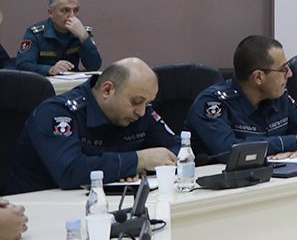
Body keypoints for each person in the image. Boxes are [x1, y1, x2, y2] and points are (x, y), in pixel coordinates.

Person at [4, 58, 179, 193]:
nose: (141, 112)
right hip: (38, 209)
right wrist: (138, 161)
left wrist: (134, 169)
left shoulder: (139, 112)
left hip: (103, 203)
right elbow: (70, 172)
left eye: (147, 103)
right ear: (107, 90)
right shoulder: (58, 113)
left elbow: (178, 148)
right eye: (136, 101)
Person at [188, 35, 297, 162]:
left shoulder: (278, 96)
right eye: (283, 69)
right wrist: (294, 142)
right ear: (258, 77)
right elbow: (229, 151)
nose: (290, 74)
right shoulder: (213, 102)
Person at [15, 0, 103, 77]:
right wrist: (50, 69)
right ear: (51, 13)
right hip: (44, 81)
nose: (72, 15)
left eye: (76, 10)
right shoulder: (36, 33)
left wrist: (84, 37)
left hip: (72, 82)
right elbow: (23, 65)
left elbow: (94, 66)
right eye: (65, 10)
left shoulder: (82, 32)